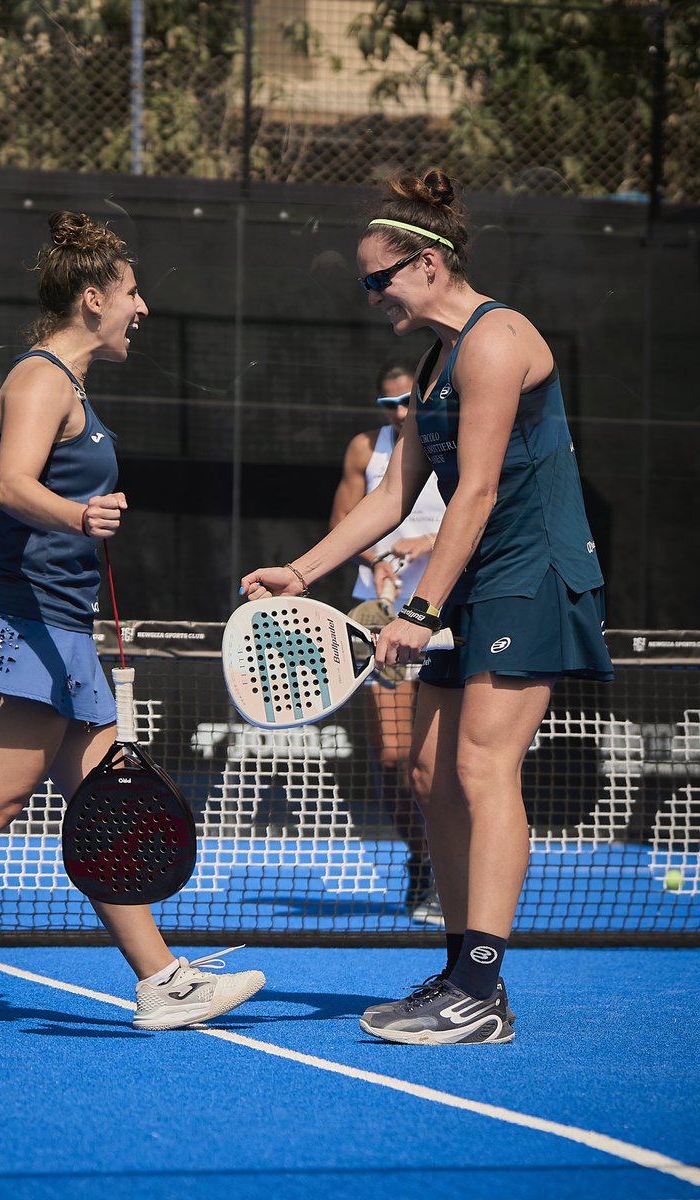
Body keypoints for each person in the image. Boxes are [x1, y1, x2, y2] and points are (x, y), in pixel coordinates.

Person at [0, 211, 264, 1035]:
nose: (142, 309)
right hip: (23, 626)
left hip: (61, 633)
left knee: (107, 805)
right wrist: (81, 515)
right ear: (93, 298)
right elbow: (14, 488)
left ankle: (162, 981)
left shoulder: (72, 387)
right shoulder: (39, 381)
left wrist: (77, 525)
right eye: (132, 293)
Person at [241, 169, 612, 1044]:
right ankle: (458, 972)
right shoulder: (437, 360)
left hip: (530, 573)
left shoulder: (495, 340)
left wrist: (419, 607)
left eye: (381, 280)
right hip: (474, 580)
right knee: (431, 776)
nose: (373, 297)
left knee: (482, 770)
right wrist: (303, 568)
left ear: (430, 263)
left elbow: (476, 492)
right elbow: (400, 489)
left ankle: (482, 991)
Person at [329, 364, 445, 926]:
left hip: (447, 618)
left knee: (443, 762)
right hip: (376, 618)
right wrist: (376, 562)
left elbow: (489, 512)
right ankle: (422, 860)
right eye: (389, 404)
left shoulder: (453, 440)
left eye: (407, 402)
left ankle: (452, 870)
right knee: (396, 758)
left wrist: (430, 540)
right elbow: (344, 523)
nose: (399, 413)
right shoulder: (365, 450)